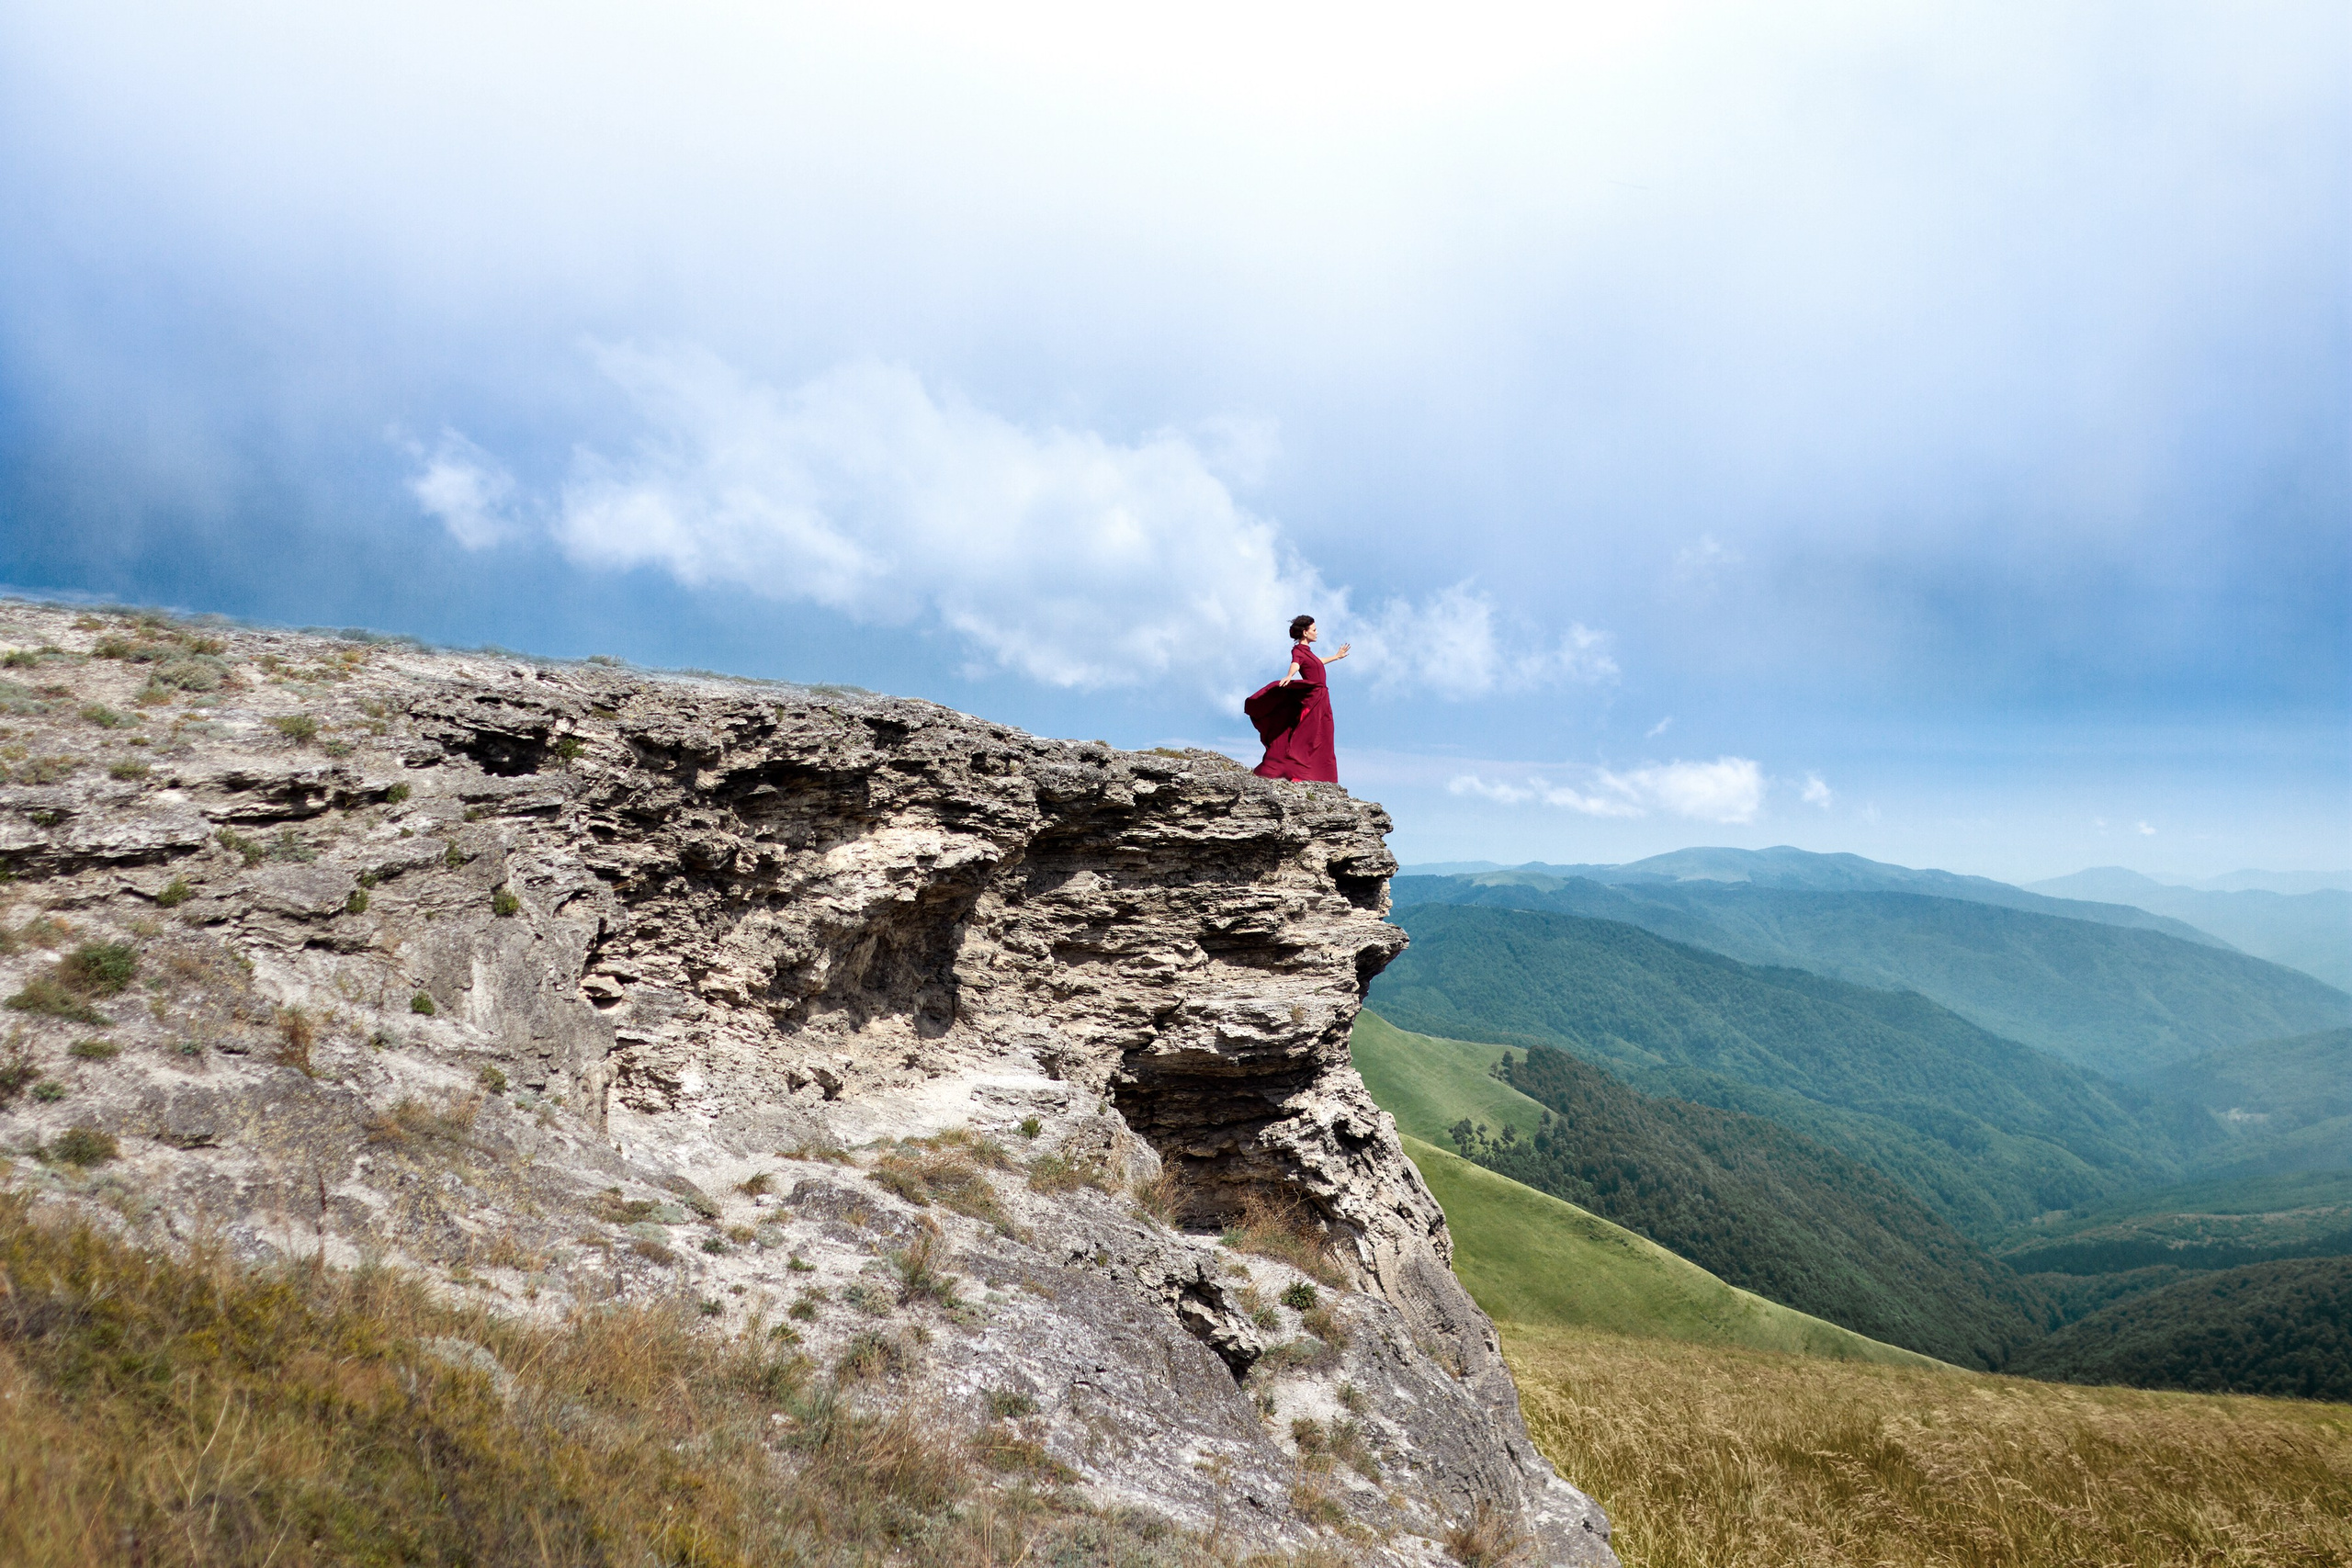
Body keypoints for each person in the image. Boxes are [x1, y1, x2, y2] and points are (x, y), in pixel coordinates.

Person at [1245, 615, 1350, 783]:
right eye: (1314, 630)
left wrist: (1336, 657)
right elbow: (1296, 663)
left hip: (1321, 698)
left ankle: (1316, 776)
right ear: (1305, 633)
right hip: (1313, 700)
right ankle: (1299, 772)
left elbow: (1316, 662)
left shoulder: (1309, 653)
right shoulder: (1298, 651)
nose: (1317, 632)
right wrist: (1289, 675)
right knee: (1309, 737)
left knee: (1323, 738)